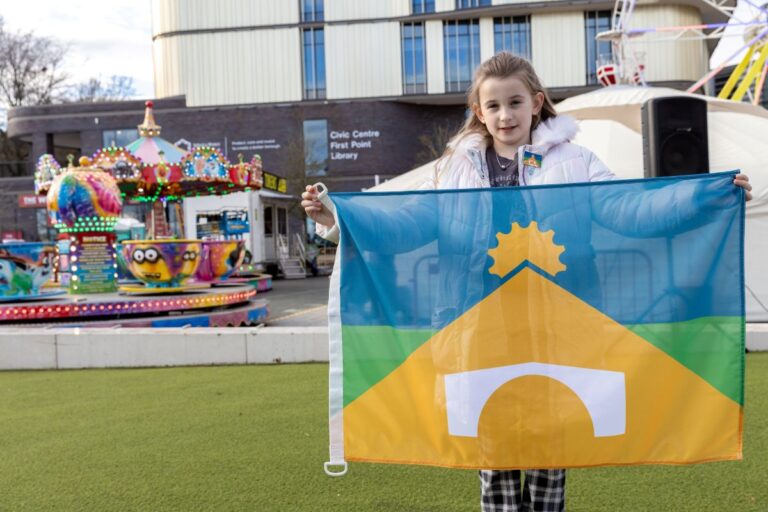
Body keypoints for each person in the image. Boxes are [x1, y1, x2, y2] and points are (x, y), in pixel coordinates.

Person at [302, 52, 752, 512]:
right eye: (493, 106)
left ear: (536, 103)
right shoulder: (455, 168)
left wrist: (705, 198)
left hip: (555, 332)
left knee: (548, 457)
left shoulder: (576, 160)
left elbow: (628, 208)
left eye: (515, 102)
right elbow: (411, 224)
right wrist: (334, 217)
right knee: (493, 454)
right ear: (479, 112)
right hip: (478, 332)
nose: (505, 115)